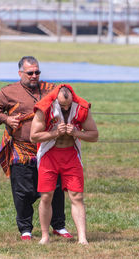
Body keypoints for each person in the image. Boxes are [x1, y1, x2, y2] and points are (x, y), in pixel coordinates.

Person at [0, 56, 72, 241]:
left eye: (37, 72)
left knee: (55, 188)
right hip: (22, 148)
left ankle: (59, 225)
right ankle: (25, 229)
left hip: (49, 146)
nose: (34, 76)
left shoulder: (51, 89)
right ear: (20, 73)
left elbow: (69, 98)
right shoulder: (8, 92)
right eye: (30, 73)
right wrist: (6, 119)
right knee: (23, 191)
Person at [30, 84, 98, 245]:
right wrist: (55, 133)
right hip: (49, 155)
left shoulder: (81, 107)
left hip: (71, 155)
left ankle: (82, 237)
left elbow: (94, 135)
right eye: (62, 105)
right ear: (55, 99)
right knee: (46, 196)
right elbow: (34, 137)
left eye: (68, 105)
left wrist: (76, 133)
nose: (66, 108)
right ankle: (45, 236)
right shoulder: (44, 108)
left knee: (77, 196)